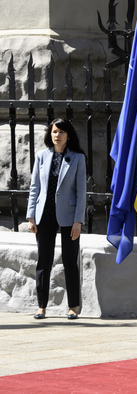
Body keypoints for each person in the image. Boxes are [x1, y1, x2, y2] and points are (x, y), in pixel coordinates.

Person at [26, 118, 87, 320]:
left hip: (69, 217)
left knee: (70, 261)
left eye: (61, 132)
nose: (57, 135)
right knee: (44, 260)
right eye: (54, 132)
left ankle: (73, 306)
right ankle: (41, 306)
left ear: (68, 135)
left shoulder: (77, 158)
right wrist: (31, 216)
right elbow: (35, 188)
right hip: (45, 215)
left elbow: (81, 192)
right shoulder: (42, 156)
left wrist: (78, 221)